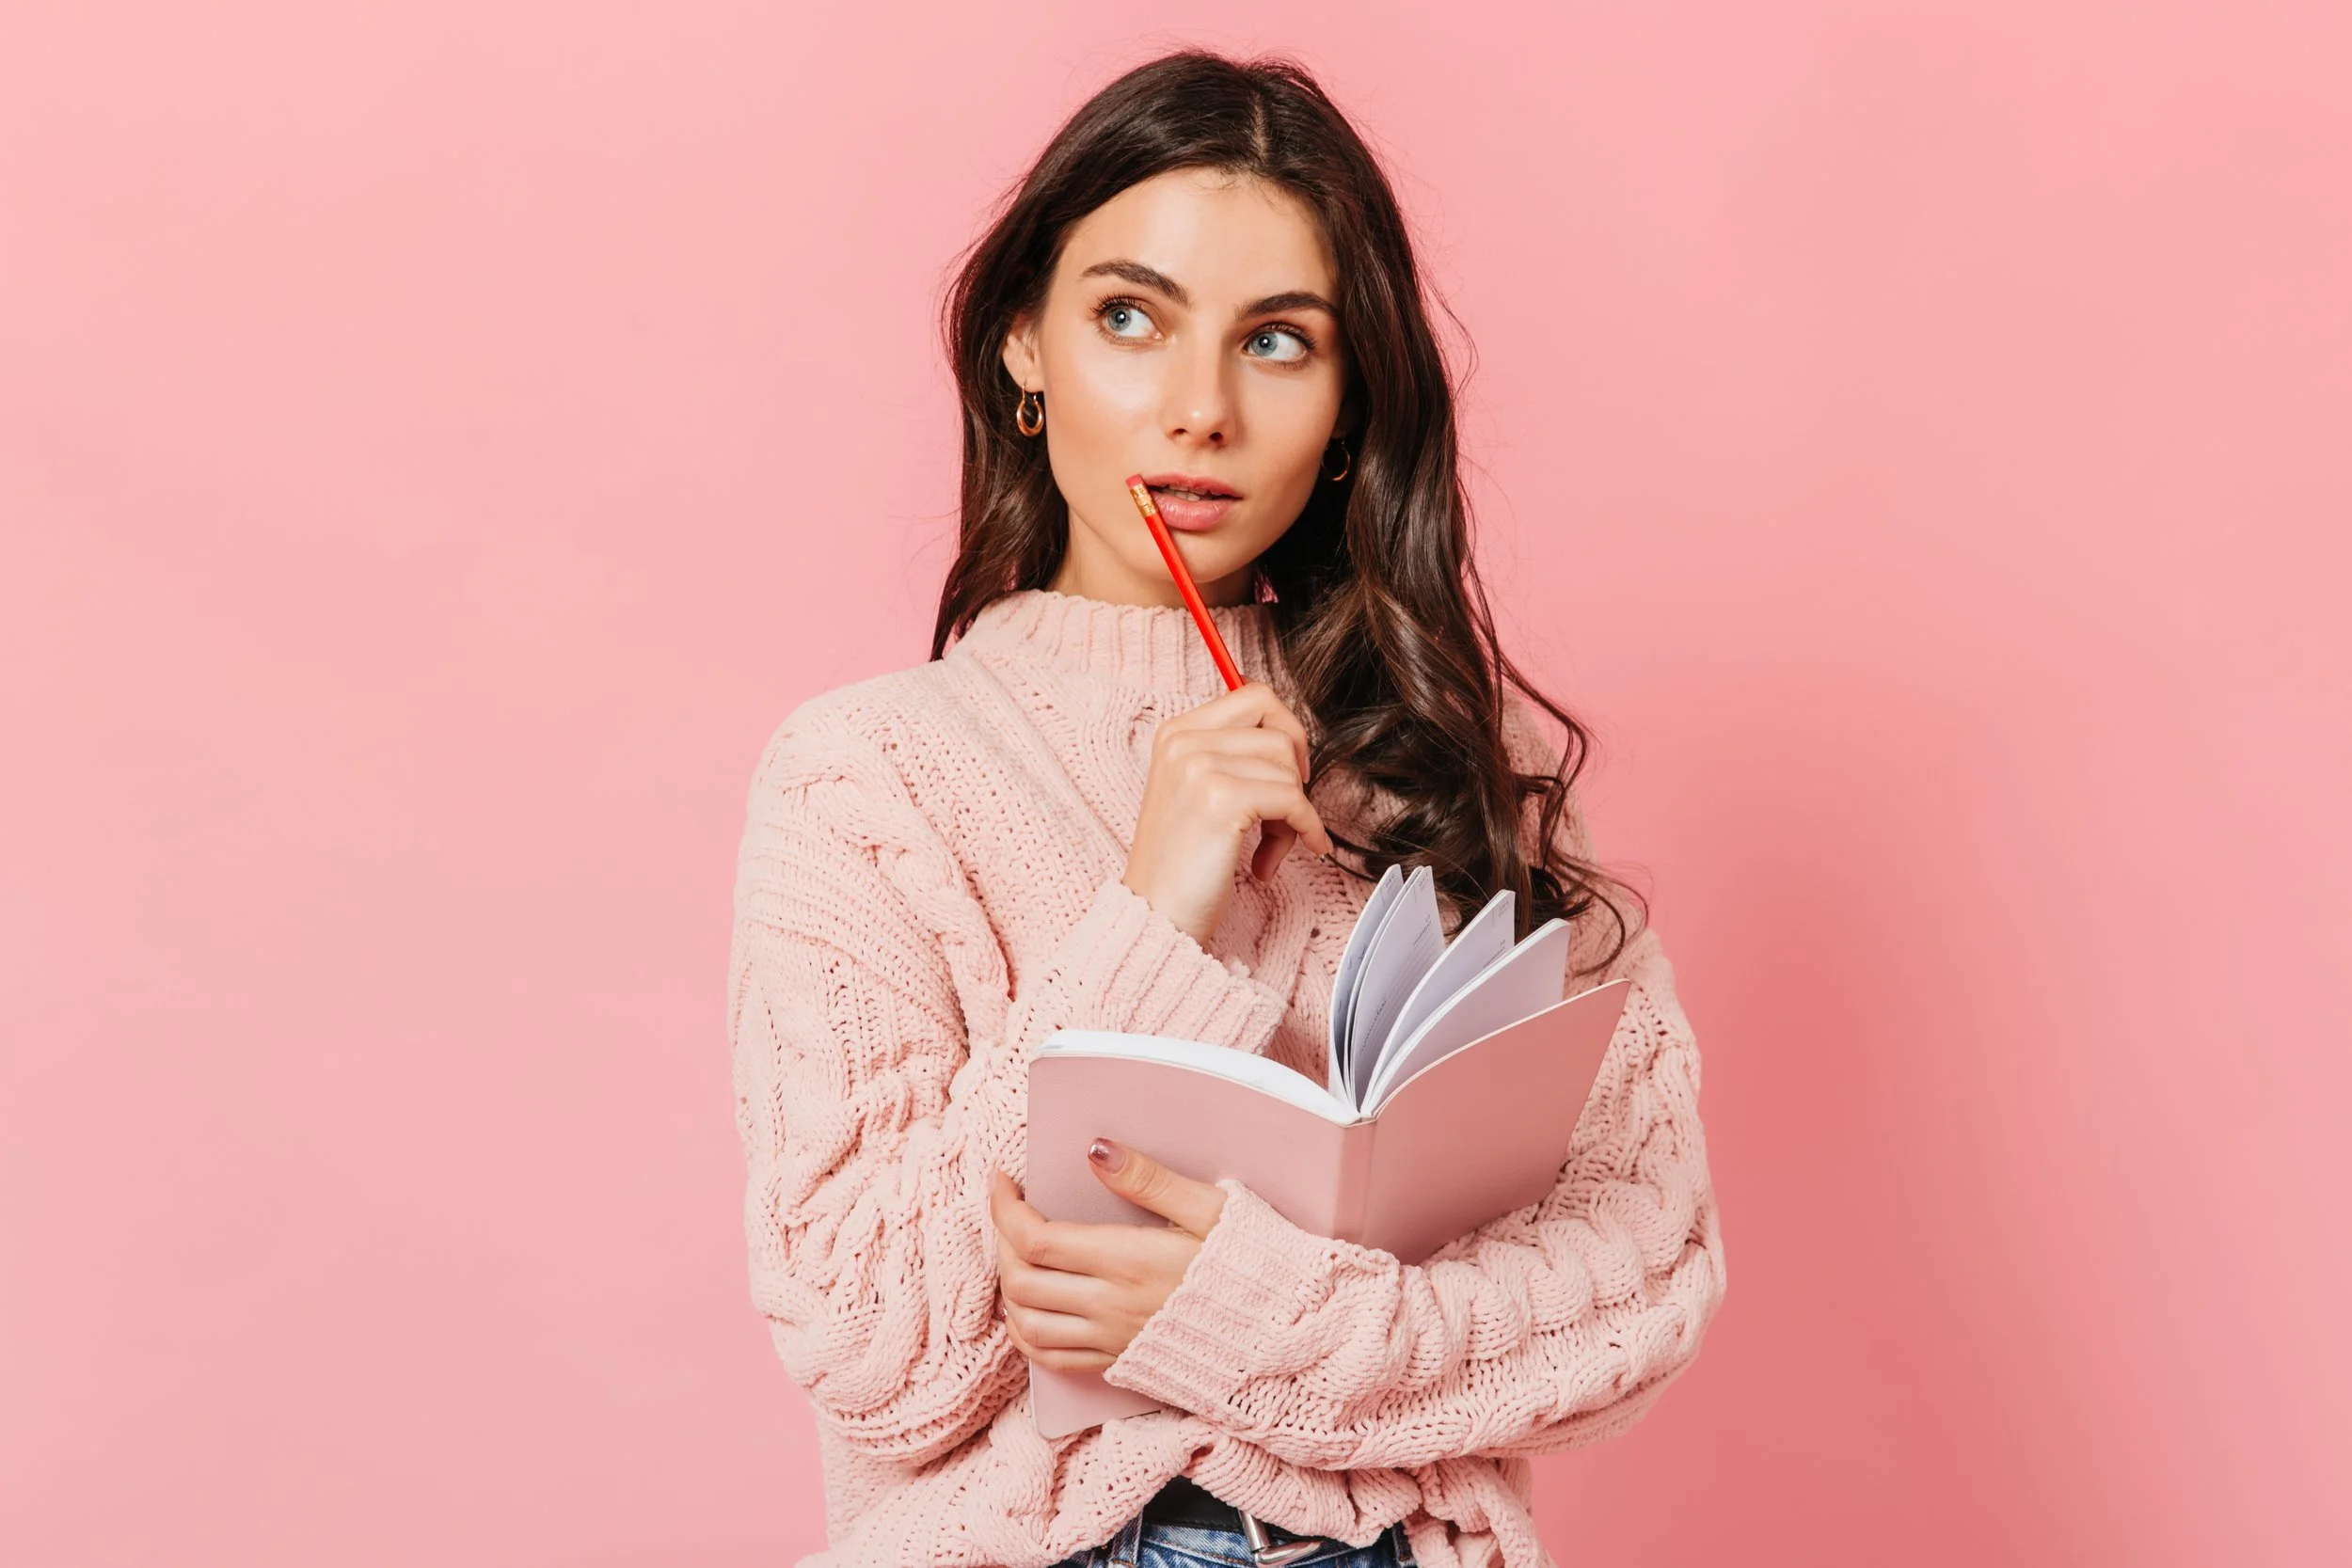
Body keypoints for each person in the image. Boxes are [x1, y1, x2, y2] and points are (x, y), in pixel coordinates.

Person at [727, 48, 1728, 1568]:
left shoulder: (1456, 759)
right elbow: (874, 1346)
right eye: (1131, 317)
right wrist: (1152, 920)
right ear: (1023, 347)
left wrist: (1254, 1321)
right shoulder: (867, 777)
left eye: (1277, 342)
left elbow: (1643, 1279)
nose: (1198, 409)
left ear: (1347, 406)